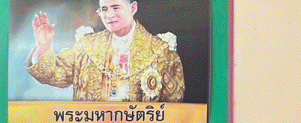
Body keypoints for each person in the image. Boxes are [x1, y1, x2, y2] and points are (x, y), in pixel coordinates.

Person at [27, 0, 184, 102]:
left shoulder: (161, 51)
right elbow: (52, 74)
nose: (109, 15)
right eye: (104, 9)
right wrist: (44, 45)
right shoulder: (87, 46)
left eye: (116, 8)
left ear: (133, 8)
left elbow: (175, 106)